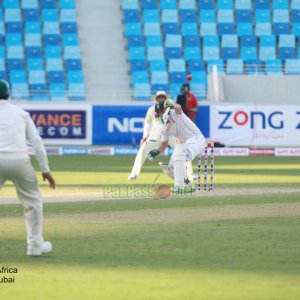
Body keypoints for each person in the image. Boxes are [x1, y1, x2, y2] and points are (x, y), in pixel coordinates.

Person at [0, 80, 56, 256]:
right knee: (33, 203)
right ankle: (34, 246)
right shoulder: (21, 114)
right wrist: (45, 169)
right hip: (19, 160)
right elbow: (36, 142)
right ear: (8, 94)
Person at [148, 100, 206, 192]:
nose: (161, 114)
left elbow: (178, 107)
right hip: (183, 145)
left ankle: (179, 187)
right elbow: (164, 144)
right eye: (159, 113)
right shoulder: (163, 127)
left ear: (165, 109)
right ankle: (189, 186)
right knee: (171, 166)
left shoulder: (175, 113)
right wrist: (156, 151)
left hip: (196, 140)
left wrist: (167, 104)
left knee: (179, 158)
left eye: (163, 111)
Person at [128, 91, 175, 180]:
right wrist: (145, 137)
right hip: (156, 135)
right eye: (159, 97)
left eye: (163, 97)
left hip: (170, 134)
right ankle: (134, 174)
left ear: (165, 98)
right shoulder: (151, 109)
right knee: (142, 150)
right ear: (156, 99)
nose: (161, 98)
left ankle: (186, 173)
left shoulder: (171, 109)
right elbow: (147, 123)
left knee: (181, 149)